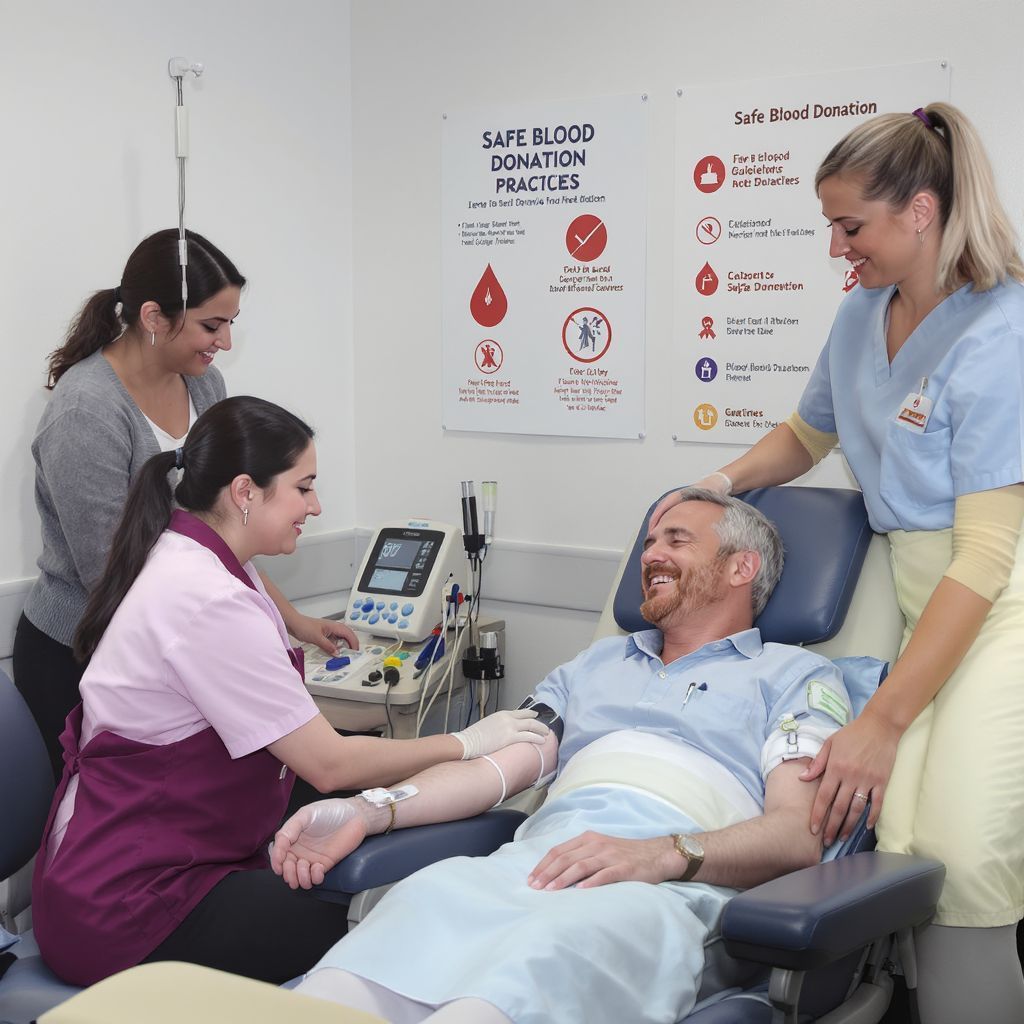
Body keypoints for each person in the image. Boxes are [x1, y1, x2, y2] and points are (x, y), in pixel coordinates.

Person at [653, 103, 1024, 1023]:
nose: (836, 248)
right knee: (897, 839)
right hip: (920, 594)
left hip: (999, 599)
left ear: (921, 212)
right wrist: (713, 487)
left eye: (850, 226)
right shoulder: (862, 313)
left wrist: (882, 723)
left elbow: (985, 555)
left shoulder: (1003, 329)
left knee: (964, 850)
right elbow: (806, 435)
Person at [271, 489, 853, 1024]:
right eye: (650, 542)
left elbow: (795, 836)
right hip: (531, 866)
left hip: (659, 890)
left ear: (741, 568)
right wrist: (369, 810)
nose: (651, 555)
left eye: (677, 541)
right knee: (415, 908)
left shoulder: (793, 677)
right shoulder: (595, 665)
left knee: (527, 970)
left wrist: (662, 854)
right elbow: (493, 770)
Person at [31, 396, 549, 988]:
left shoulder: (200, 554)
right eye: (303, 488)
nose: (315, 506)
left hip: (150, 864)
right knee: (379, 919)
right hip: (125, 911)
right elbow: (329, 764)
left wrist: (300, 626)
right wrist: (468, 742)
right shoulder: (204, 599)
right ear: (245, 492)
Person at [13, 229, 354, 781]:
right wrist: (224, 641)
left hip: (169, 646)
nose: (224, 342)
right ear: (153, 316)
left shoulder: (205, 386)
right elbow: (113, 574)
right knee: (101, 816)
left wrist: (293, 622)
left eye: (230, 324)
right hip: (81, 655)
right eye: (211, 326)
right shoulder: (86, 412)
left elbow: (224, 535)